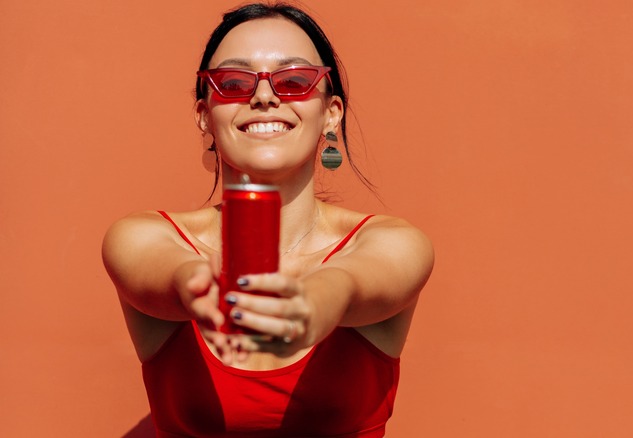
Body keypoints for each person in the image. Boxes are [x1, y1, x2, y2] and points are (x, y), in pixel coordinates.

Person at [101, 2, 434, 436]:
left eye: (294, 80)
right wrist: (196, 285)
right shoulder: (146, 236)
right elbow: (164, 273)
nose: (263, 96)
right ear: (205, 115)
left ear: (330, 113)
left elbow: (353, 283)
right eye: (233, 83)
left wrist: (314, 303)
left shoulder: (392, 243)